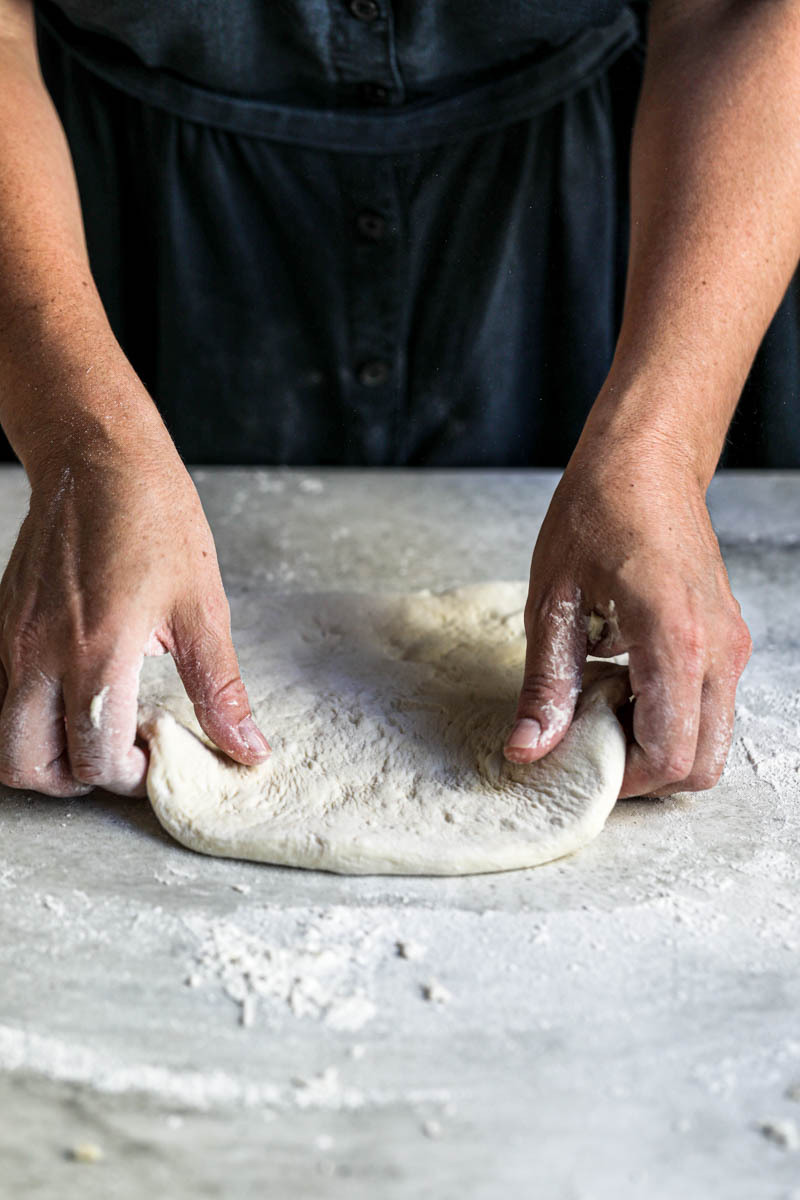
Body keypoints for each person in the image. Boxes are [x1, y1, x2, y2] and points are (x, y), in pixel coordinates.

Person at [0, 0, 795, 802]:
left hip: (599, 223)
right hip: (90, 240)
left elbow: (738, 10)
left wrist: (658, 444)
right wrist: (80, 436)